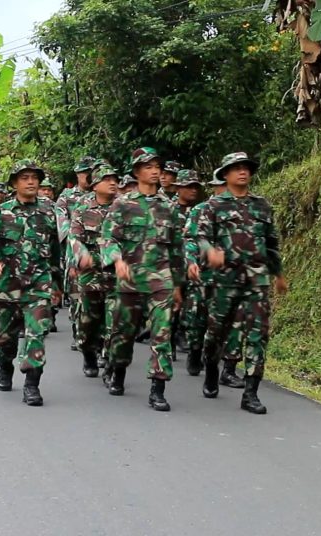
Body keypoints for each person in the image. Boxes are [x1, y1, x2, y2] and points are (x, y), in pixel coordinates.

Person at [194, 152, 288, 414]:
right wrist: (209, 252)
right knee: (216, 334)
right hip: (224, 280)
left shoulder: (262, 206)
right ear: (225, 174)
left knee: (258, 335)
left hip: (256, 280)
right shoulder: (214, 206)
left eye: (245, 168)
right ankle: (211, 369)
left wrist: (278, 274)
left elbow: (271, 243)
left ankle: (251, 394)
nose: (242, 172)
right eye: (236, 168)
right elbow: (201, 237)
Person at [101, 147, 184, 412]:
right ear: (137, 172)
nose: (155, 171)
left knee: (162, 333)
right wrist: (117, 260)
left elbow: (177, 248)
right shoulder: (123, 204)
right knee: (123, 334)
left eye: (157, 166)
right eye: (148, 166)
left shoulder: (168, 207)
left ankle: (158, 388)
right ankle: (118, 371)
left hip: (161, 280)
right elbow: (108, 237)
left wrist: (179, 284)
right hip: (130, 280)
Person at [0, 160, 62, 406]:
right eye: (24, 177)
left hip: (38, 284)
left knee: (36, 333)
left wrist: (57, 284)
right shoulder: (0, 212)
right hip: (6, 285)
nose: (31, 182)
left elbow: (55, 250)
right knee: (5, 339)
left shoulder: (49, 212)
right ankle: (5, 367)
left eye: (34, 177)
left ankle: (32, 384)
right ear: (14, 183)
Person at [69, 164, 119, 378]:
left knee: (115, 319)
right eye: (107, 180)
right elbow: (74, 237)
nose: (113, 183)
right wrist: (80, 255)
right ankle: (89, 352)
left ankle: (110, 364)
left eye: (115, 179)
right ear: (95, 185)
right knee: (89, 319)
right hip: (90, 271)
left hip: (116, 271)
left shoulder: (124, 207)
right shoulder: (83, 207)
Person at [183, 173, 229, 378]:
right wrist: (191, 262)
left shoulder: (243, 210)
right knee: (198, 321)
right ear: (214, 187)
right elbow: (190, 240)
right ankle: (194, 350)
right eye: (222, 186)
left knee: (230, 324)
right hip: (204, 276)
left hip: (231, 279)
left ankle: (227, 369)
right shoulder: (200, 210)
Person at [57, 156, 95, 352]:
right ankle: (77, 331)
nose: (89, 176)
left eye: (91, 171)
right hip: (74, 254)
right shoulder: (66, 197)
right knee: (75, 296)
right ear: (78, 174)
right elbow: (63, 226)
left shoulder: (105, 195)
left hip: (100, 255)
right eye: (85, 172)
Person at [169, 170, 204, 361]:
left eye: (195, 186)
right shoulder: (168, 208)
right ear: (179, 188)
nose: (193, 190)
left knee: (193, 305)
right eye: (189, 186)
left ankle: (190, 340)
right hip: (173, 266)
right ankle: (170, 341)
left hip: (193, 265)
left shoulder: (199, 211)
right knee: (172, 306)